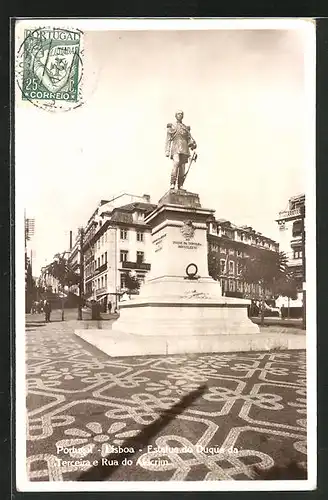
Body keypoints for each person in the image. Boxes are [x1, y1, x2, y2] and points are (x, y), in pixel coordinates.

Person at [165, 110, 197, 190]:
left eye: (181, 114)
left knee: (182, 167)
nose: (180, 115)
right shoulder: (172, 126)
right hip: (175, 147)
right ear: (176, 115)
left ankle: (180, 184)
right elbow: (168, 139)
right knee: (176, 163)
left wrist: (193, 145)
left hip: (184, 148)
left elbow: (189, 140)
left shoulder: (185, 128)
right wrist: (167, 150)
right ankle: (172, 183)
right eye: (178, 114)